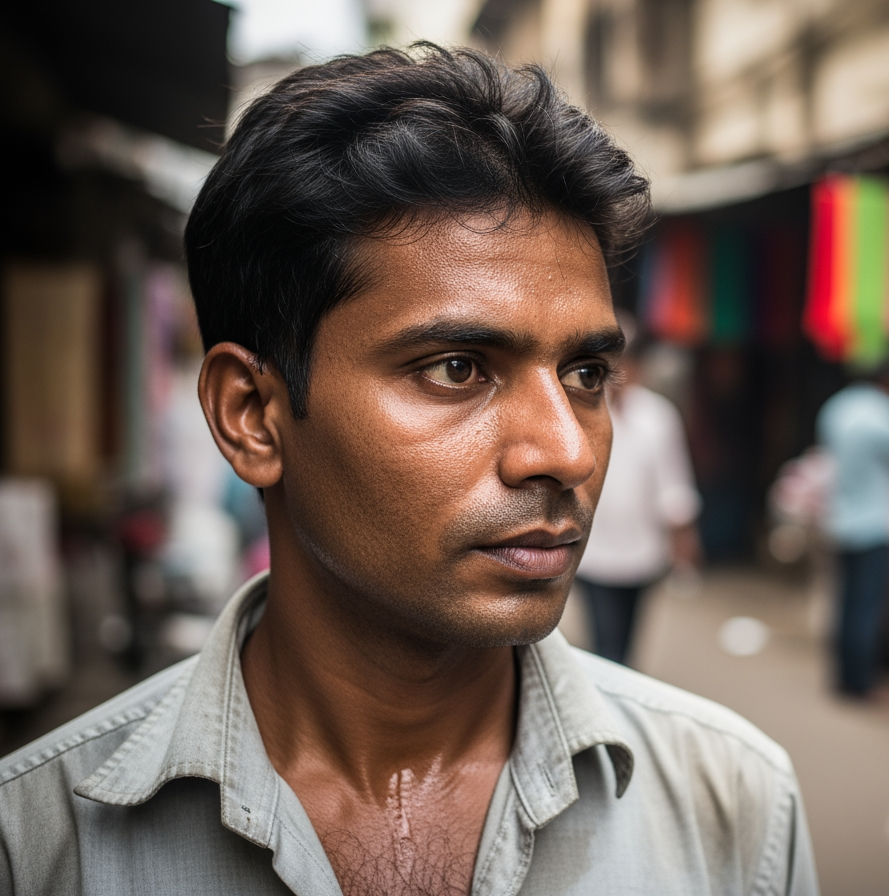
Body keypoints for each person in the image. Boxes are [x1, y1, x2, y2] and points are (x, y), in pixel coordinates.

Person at [0, 46, 817, 895]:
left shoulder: (733, 809)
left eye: (586, 376)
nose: (567, 451)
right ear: (252, 414)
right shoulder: (39, 849)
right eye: (457, 368)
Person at [574, 318, 701, 665]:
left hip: (642, 552)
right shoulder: (581, 411)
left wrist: (683, 543)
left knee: (626, 646)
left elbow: (674, 487)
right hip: (594, 552)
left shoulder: (658, 417)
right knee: (604, 644)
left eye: (626, 363)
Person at [817, 363, 889, 699]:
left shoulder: (836, 407)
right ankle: (862, 684)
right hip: (874, 524)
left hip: (839, 519)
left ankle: (841, 677)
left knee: (844, 602)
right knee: (868, 608)